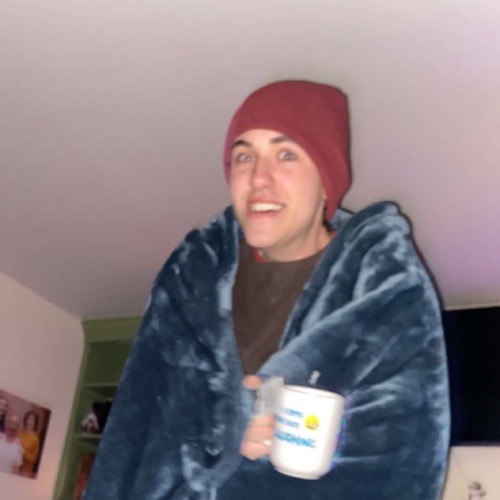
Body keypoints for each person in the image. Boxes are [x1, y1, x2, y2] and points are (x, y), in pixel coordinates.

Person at [84, 80, 450, 499]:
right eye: (244, 157)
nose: (258, 177)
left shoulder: (384, 291)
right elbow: (132, 433)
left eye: (286, 154)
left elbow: (402, 466)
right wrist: (229, 443)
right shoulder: (191, 277)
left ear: (327, 179)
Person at [18, 410, 41, 476]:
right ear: (26, 420)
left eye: (32, 420)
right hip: (16, 466)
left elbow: (34, 458)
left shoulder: (35, 439)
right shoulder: (20, 433)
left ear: (35, 423)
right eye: (29, 419)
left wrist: (24, 452)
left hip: (25, 470)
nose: (30, 422)